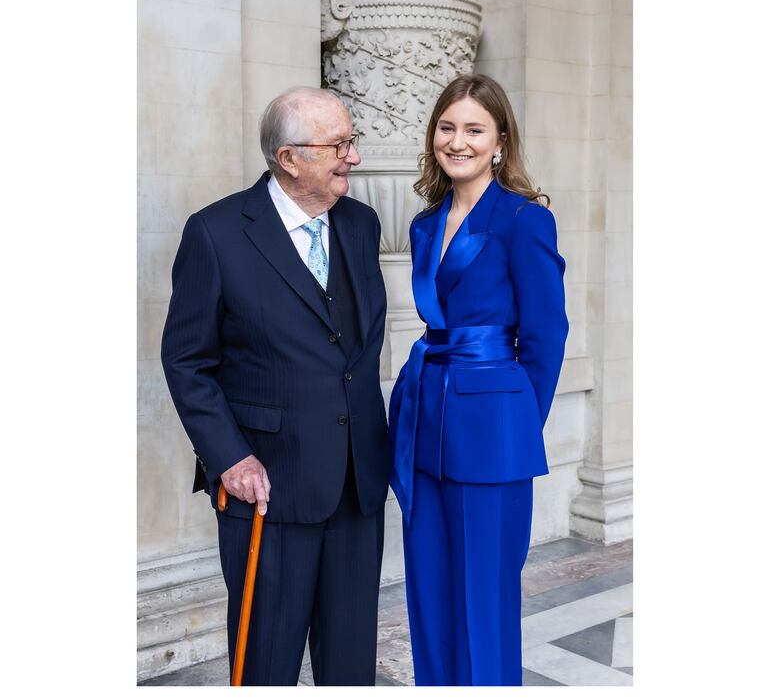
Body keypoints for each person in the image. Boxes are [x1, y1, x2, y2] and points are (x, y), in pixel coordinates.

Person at [160, 87, 390, 686]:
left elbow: (353, 354)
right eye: (339, 146)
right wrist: (228, 456)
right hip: (268, 487)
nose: (353, 158)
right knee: (265, 663)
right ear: (289, 159)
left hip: (356, 485)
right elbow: (186, 360)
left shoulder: (362, 225)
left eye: (351, 142)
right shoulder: (216, 233)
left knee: (350, 668)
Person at [388, 74, 569, 686]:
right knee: (430, 591)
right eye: (446, 127)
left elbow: (546, 338)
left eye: (473, 129)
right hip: (424, 423)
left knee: (485, 602)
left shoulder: (524, 221)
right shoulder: (423, 223)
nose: (457, 141)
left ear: (499, 141)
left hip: (492, 434)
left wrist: (514, 424)